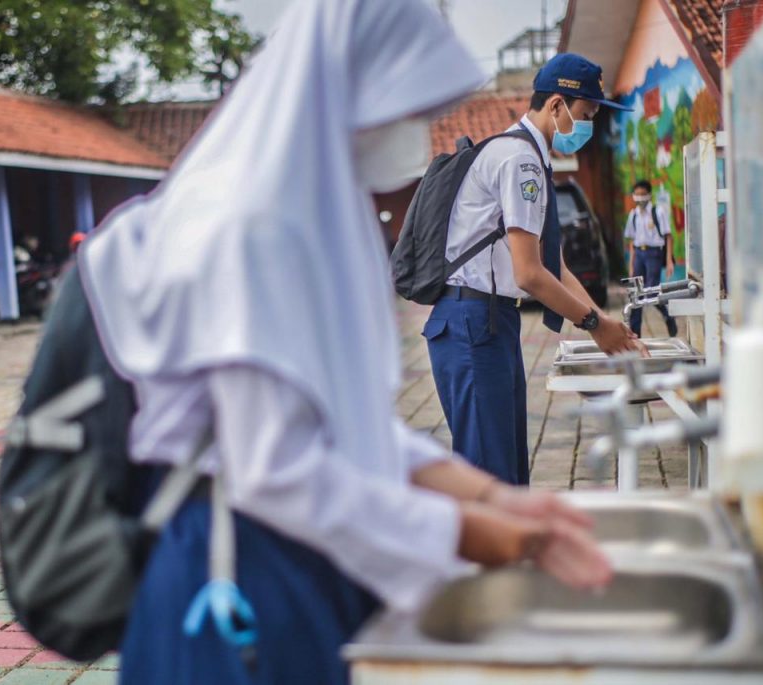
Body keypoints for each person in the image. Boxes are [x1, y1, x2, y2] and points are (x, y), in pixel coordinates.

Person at [79, 2, 612, 683]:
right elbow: (276, 469)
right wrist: (469, 530)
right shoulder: (247, 227)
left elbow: (349, 427)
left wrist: (493, 497)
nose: (417, 132)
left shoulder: (316, 215)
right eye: (407, 110)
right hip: (229, 575)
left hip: (302, 563)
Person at [425, 53, 645, 486]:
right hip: (472, 324)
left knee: (508, 473)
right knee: (490, 479)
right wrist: (593, 324)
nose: (588, 126)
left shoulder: (532, 158)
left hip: (491, 322)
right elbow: (529, 273)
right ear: (557, 105)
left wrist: (604, 324)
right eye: (586, 115)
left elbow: (553, 265)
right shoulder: (520, 160)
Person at [625, 179, 679, 338]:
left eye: (643, 194)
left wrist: (669, 261)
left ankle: (668, 316)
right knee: (636, 294)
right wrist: (631, 264)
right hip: (639, 255)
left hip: (654, 254)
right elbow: (631, 241)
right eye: (637, 194)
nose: (640, 198)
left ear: (649, 195)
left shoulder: (658, 212)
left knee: (650, 292)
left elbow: (668, 236)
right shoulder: (633, 215)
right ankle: (635, 333)